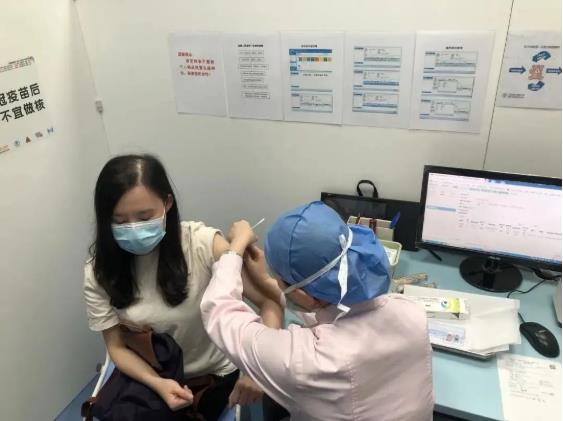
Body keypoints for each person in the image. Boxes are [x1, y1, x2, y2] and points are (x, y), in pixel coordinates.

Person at [83, 154, 282, 420]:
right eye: (119, 221)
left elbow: (270, 303)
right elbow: (117, 347)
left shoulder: (202, 245)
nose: (133, 228)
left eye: (144, 217)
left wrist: (259, 370)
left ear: (167, 203)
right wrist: (157, 383)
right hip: (150, 374)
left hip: (208, 377)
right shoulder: (100, 271)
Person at [201, 201, 434, 421]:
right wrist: (265, 280)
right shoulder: (410, 312)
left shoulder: (305, 360)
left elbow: (220, 311)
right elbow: (328, 307)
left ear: (302, 293)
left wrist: (235, 249)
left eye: (281, 280)